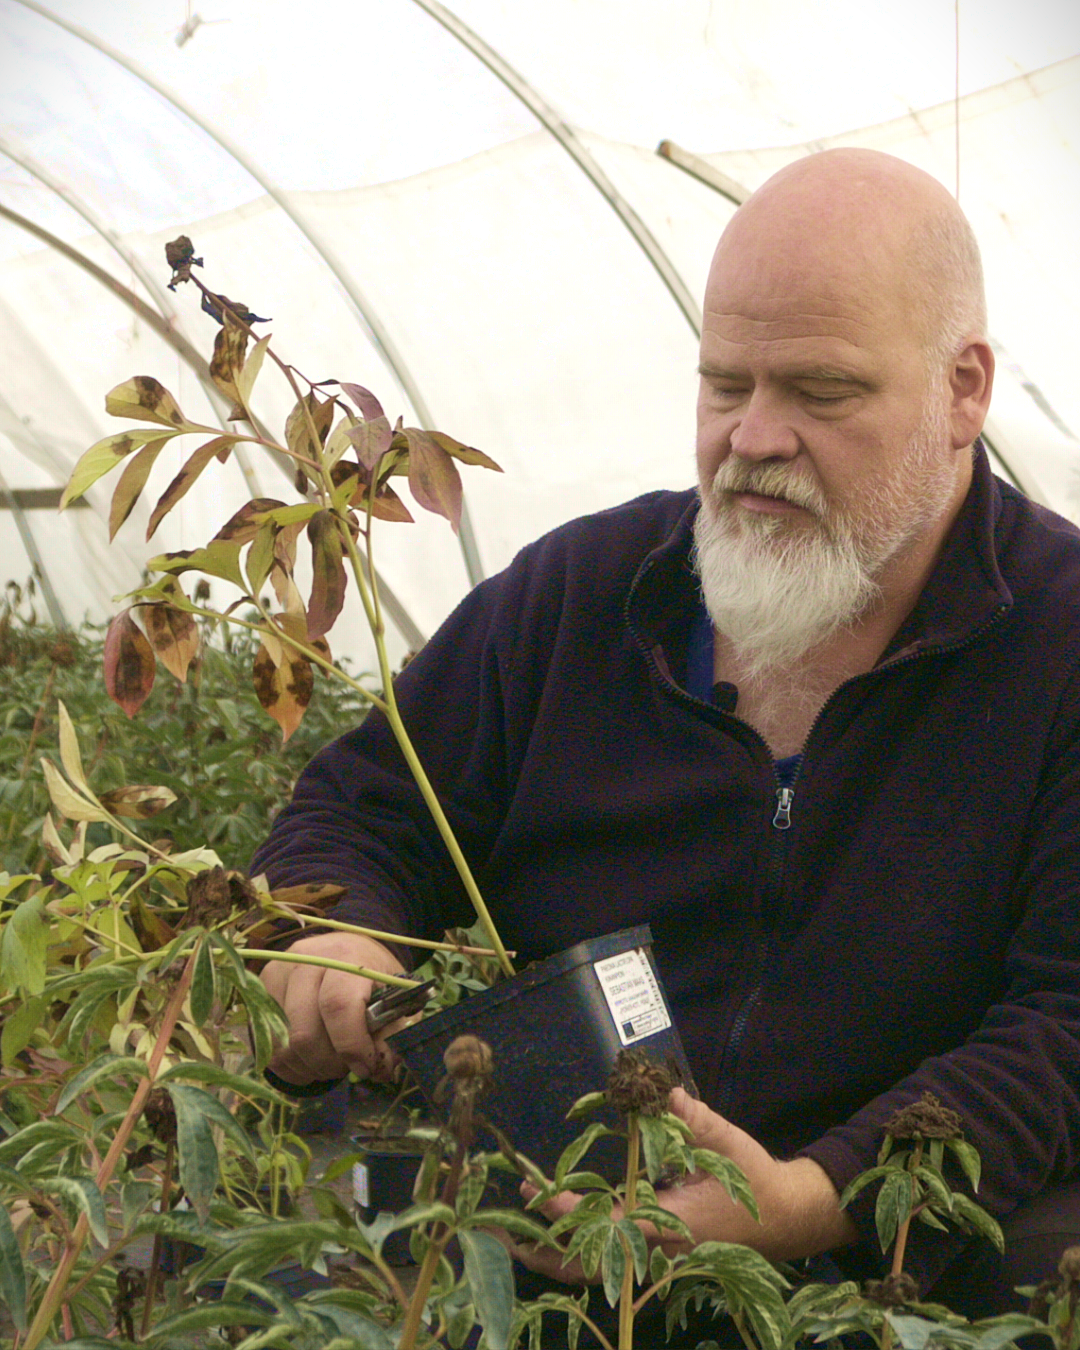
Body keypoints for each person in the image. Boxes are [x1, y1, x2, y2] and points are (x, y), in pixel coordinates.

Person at [253, 148, 1080, 1317]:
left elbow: (1064, 1025)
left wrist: (811, 1198)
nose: (754, 437)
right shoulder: (584, 598)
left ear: (963, 390)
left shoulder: (1058, 641)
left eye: (821, 392)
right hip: (550, 1242)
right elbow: (362, 809)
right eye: (725, 385)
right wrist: (331, 934)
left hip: (903, 1278)